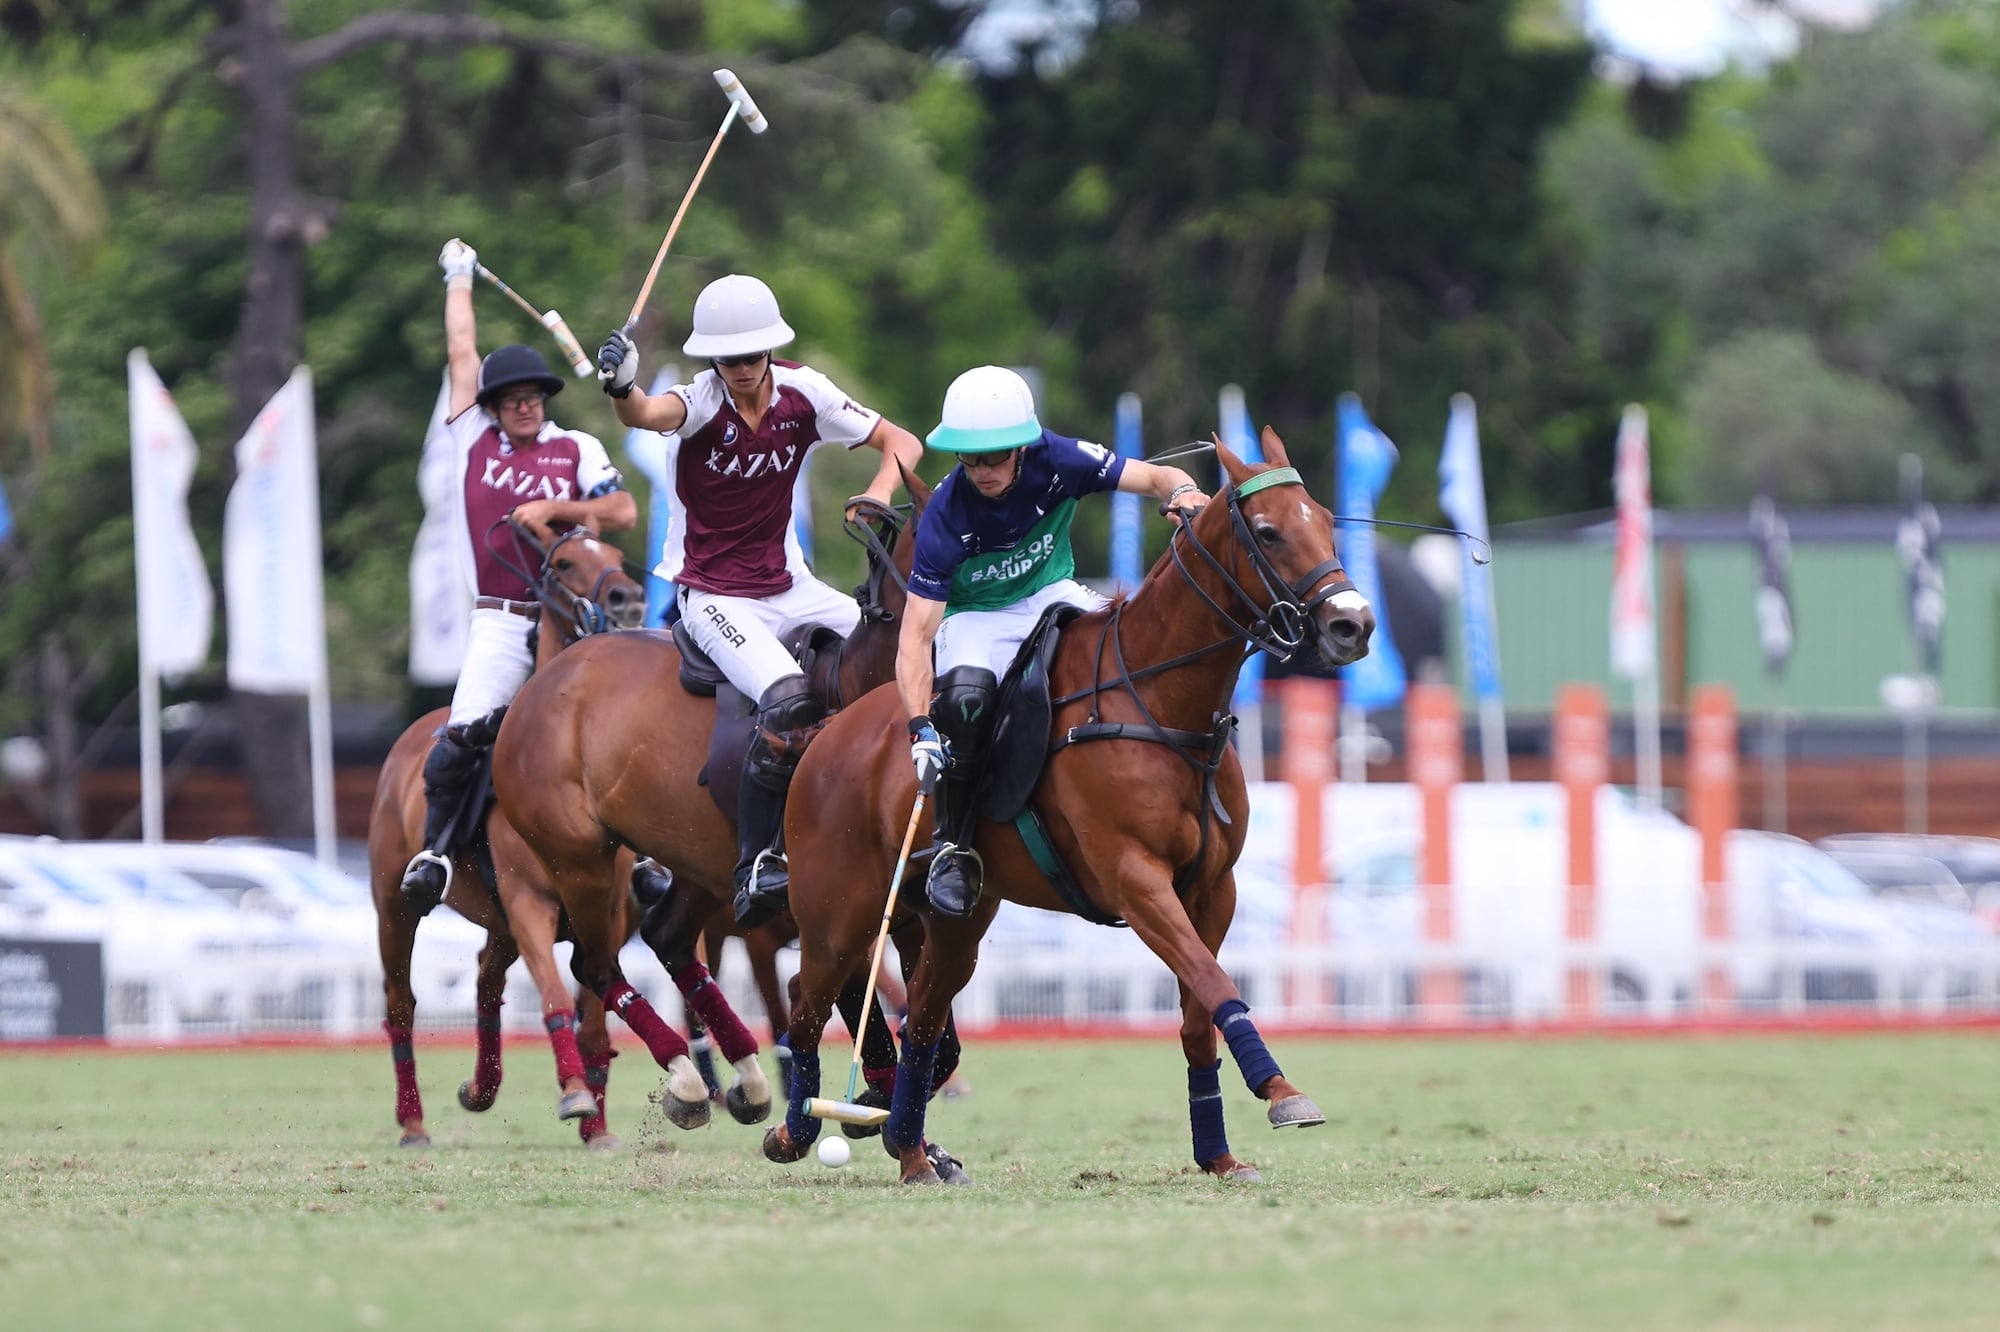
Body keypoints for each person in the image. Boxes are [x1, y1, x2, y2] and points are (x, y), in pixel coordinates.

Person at [595, 274, 924, 926]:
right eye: (727, 359)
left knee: (905, 641)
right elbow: (645, 414)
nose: (741, 369)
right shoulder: (699, 402)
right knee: (787, 695)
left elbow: (904, 442)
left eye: (751, 356)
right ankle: (757, 861)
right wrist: (620, 387)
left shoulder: (806, 393)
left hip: (790, 585)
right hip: (714, 594)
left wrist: (882, 490)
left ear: (771, 350)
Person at [895, 365, 1208, 917]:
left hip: (1051, 592)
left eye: (994, 456)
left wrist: (1185, 492)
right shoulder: (946, 513)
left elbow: (1160, 478)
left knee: (1134, 647)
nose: (983, 471)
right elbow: (916, 635)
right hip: (977, 618)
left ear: (1022, 446)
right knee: (966, 702)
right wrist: (921, 726)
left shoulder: (1062, 460)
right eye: (970, 458)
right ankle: (954, 846)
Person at [399, 238, 639, 914]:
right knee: (463, 733)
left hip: (579, 620)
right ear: (493, 406)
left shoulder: (577, 448)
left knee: (631, 727)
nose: (525, 407)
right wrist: (456, 280)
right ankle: (437, 853)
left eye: (534, 398)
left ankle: (648, 860)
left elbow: (621, 509)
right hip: (503, 620)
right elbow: (460, 355)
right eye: (512, 400)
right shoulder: (469, 440)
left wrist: (557, 508)